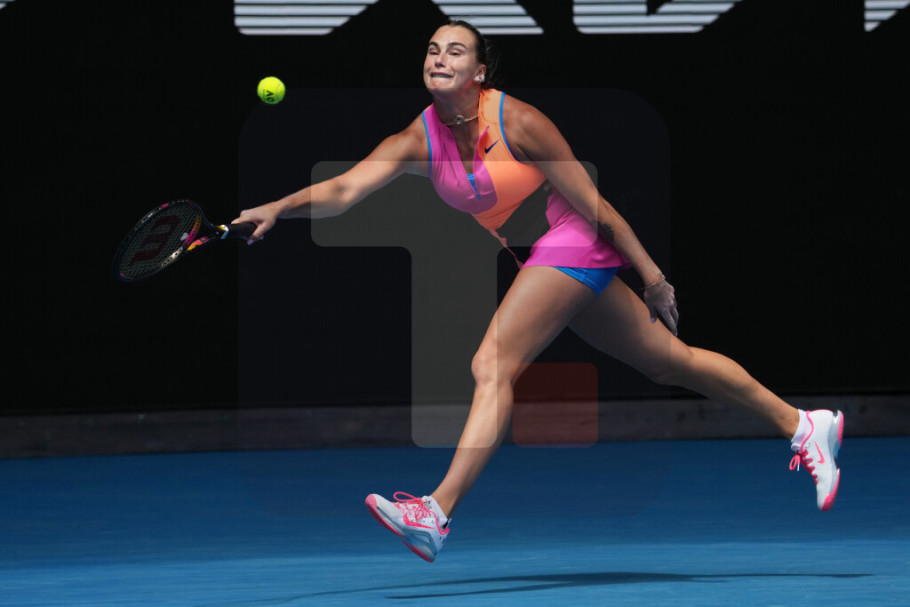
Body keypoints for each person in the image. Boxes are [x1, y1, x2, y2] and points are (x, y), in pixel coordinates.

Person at [233, 20, 844, 563]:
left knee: (491, 363)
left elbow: (594, 206)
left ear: (479, 72)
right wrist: (277, 207)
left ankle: (436, 512)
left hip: (574, 241)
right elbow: (343, 191)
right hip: (540, 257)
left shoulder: (519, 122)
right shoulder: (419, 138)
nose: (439, 58)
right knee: (670, 362)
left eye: (455, 51)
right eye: (432, 50)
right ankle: (804, 424)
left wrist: (653, 277)